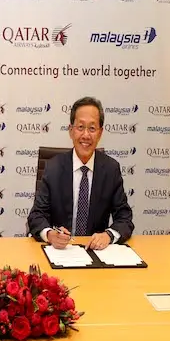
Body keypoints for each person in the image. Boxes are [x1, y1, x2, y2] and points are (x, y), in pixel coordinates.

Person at [27, 96, 134, 250]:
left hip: (95, 251)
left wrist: (108, 235)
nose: (86, 135)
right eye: (80, 127)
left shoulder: (111, 169)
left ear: (100, 133)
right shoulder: (53, 167)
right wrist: (50, 234)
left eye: (92, 128)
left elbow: (125, 218)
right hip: (60, 251)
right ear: (71, 131)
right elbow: (36, 215)